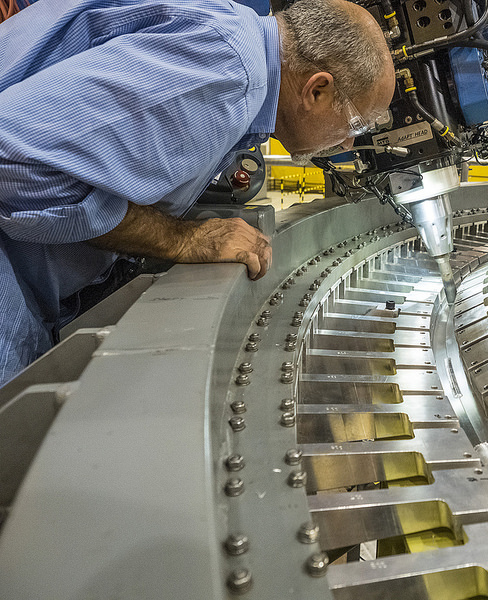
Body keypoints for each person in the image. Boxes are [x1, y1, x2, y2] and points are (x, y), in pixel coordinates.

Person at [0, 0, 396, 384]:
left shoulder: (231, 33)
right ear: (317, 90)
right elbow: (17, 161)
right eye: (355, 124)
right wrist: (181, 239)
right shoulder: (227, 76)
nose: (346, 144)